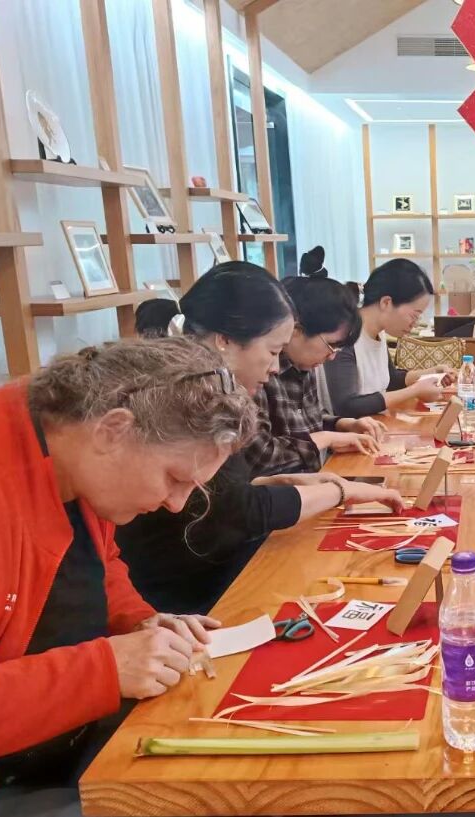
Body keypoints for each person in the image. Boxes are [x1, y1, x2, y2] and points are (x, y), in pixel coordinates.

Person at [0, 338, 259, 817]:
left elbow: (93, 563)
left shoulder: (71, 448)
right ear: (114, 430)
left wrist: (140, 621)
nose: (175, 504)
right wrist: (104, 671)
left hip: (69, 744)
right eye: (174, 478)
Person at [118, 262, 403, 614]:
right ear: (223, 340)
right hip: (188, 591)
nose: (275, 367)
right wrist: (339, 490)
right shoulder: (189, 395)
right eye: (271, 351)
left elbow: (227, 490)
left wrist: (290, 480)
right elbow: (235, 509)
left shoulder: (213, 386)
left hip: (206, 570)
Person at [242, 247, 386, 477]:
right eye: (331, 345)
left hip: (311, 485)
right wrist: (327, 438)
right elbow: (261, 456)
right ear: (296, 330)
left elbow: (310, 420)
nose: (332, 356)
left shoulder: (303, 365)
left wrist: (342, 425)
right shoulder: (259, 372)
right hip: (280, 498)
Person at [325, 259, 451, 418]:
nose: (415, 323)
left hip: (374, 427)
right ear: (386, 302)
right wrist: (415, 390)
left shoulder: (378, 332)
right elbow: (346, 406)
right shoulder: (346, 336)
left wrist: (431, 372)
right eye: (414, 315)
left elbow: (390, 380)